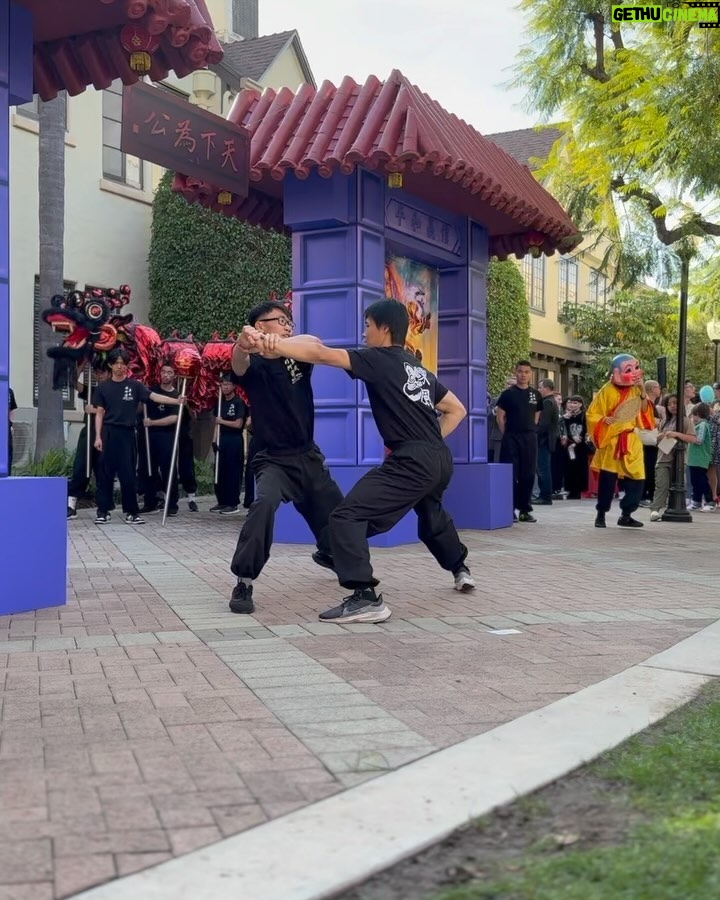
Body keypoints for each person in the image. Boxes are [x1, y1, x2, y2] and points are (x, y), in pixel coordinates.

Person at [257, 298, 474, 625]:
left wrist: (274, 343)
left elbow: (320, 354)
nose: (363, 332)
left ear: (384, 329)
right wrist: (428, 443)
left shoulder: (377, 358)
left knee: (344, 517)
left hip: (412, 460)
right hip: (438, 459)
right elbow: (458, 409)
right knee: (432, 516)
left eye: (367, 325)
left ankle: (365, 596)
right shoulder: (416, 367)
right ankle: (460, 569)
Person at [227, 301, 344, 615]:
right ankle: (244, 579)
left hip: (307, 456)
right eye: (280, 320)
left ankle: (330, 554)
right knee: (263, 505)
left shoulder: (297, 355)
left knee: (339, 517)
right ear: (260, 325)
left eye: (289, 321)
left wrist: (280, 343)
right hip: (272, 459)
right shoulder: (253, 365)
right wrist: (242, 344)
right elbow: (237, 364)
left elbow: (313, 343)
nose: (288, 325)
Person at [93, 348, 185, 525]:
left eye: (123, 363)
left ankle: (131, 512)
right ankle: (103, 511)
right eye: (116, 363)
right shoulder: (103, 388)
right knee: (105, 474)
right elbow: (99, 413)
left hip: (127, 433)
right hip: (108, 433)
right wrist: (98, 436)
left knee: (128, 474)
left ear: (127, 366)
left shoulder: (134, 386)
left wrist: (176, 400)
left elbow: (154, 396)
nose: (120, 366)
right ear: (111, 365)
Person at [585, 353, 654, 528]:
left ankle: (626, 514)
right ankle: (600, 514)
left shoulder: (636, 390)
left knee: (638, 479)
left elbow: (645, 413)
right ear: (616, 372)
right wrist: (602, 420)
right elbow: (592, 414)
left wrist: (642, 391)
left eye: (636, 368)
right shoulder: (606, 390)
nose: (635, 372)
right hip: (612, 440)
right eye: (629, 369)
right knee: (607, 480)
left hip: (631, 439)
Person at [496, 361, 543, 522]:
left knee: (528, 474)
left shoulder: (535, 394)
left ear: (531, 374)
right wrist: (508, 433)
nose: (523, 374)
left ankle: (524, 509)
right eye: (520, 371)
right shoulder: (508, 394)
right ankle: (509, 509)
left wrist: (530, 430)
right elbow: (500, 417)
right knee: (510, 474)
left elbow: (536, 416)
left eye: (526, 372)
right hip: (511, 438)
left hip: (529, 438)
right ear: (515, 373)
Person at [67, 361, 110, 518]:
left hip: (106, 435)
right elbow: (72, 381)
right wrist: (83, 361)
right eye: (97, 373)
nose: (99, 376)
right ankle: (71, 505)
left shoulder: (113, 390)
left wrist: (96, 409)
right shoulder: (92, 390)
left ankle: (103, 507)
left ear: (109, 373)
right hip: (88, 434)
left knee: (103, 471)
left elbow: (117, 411)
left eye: (102, 373)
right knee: (80, 468)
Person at [211, 374, 247, 514]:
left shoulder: (238, 402)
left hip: (234, 440)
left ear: (233, 386)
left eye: (227, 384)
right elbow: (215, 423)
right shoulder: (219, 403)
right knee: (220, 471)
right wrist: (214, 440)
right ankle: (222, 501)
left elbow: (238, 424)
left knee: (232, 471)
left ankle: (232, 503)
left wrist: (222, 421)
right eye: (223, 384)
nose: (225, 387)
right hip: (221, 438)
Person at [535, 378, 560, 505]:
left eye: (540, 387)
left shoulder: (547, 402)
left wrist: (533, 431)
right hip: (546, 440)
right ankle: (544, 495)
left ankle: (545, 496)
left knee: (543, 469)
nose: (539, 390)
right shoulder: (550, 401)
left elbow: (543, 423)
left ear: (546, 388)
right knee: (543, 468)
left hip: (543, 441)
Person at [559, 395, 589, 499]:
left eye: (575, 403)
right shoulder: (566, 416)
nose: (572, 405)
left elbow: (588, 430)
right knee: (568, 467)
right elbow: (561, 429)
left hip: (581, 446)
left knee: (579, 468)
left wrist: (581, 437)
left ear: (580, 404)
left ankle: (577, 491)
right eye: (571, 402)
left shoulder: (585, 415)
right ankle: (570, 489)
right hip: (568, 445)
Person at [7, 386, 16, 472]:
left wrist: (11, 425)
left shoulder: (9, 392)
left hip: (6, 431)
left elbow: (11, 410)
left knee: (8, 454)